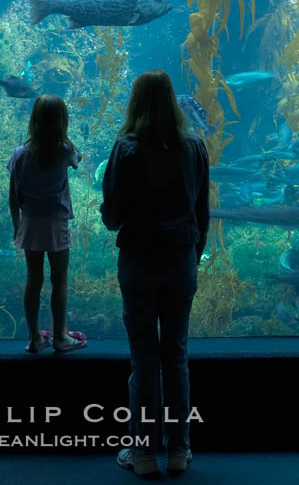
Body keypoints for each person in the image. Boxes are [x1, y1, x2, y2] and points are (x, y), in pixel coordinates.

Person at [101, 70, 210, 477]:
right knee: (176, 356)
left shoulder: (126, 148)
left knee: (144, 359)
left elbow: (112, 216)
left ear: (135, 102)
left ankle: (143, 453)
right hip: (180, 261)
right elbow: (202, 212)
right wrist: (192, 254)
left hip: (139, 262)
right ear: (172, 102)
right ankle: (179, 449)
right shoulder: (194, 146)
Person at [8, 93, 87, 354]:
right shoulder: (64, 151)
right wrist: (64, 135)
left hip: (29, 223)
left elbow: (13, 194)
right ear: (62, 121)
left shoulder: (20, 153)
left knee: (34, 280)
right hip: (56, 223)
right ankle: (61, 336)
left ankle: (34, 338)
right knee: (59, 280)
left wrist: (16, 224)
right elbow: (80, 158)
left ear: (34, 120)